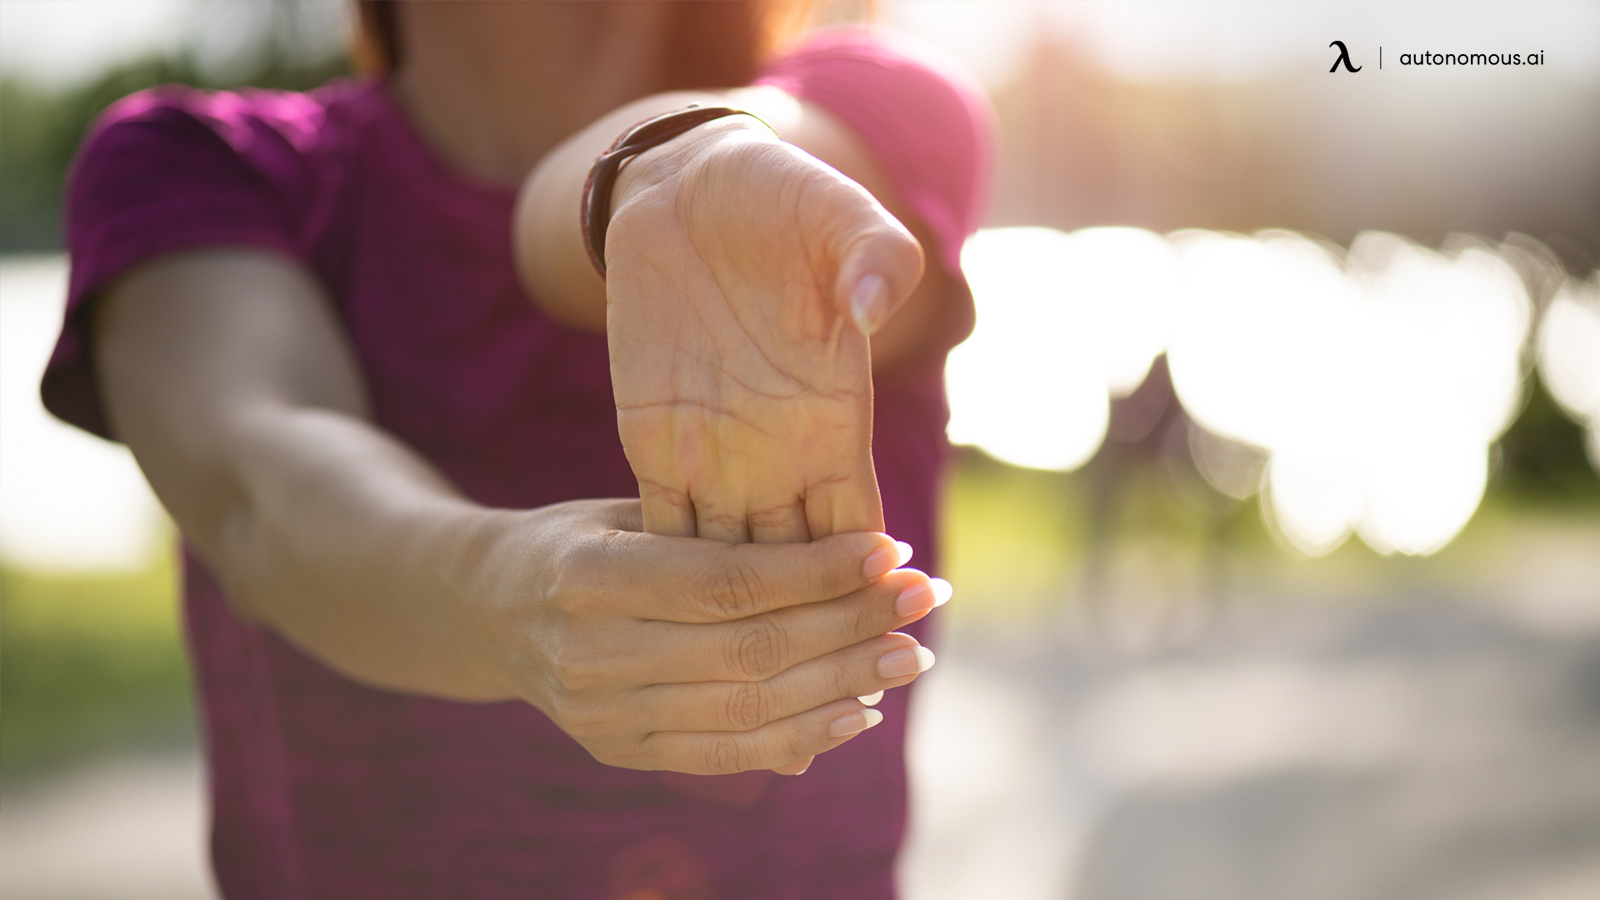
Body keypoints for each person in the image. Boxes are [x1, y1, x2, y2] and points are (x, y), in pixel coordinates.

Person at [41, 1, 994, 896]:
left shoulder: (885, 108)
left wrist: (672, 170)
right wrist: (510, 596)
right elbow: (261, 484)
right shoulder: (201, 166)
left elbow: (600, 217)